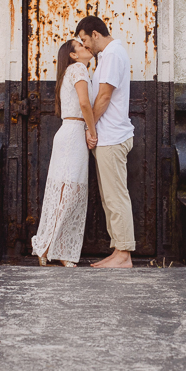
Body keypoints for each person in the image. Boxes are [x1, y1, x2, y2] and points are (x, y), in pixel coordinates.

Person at [75, 16, 135, 269]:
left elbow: (104, 97)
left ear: (96, 34)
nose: (86, 46)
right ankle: (117, 251)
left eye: (86, 40)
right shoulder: (111, 55)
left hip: (111, 137)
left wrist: (91, 129)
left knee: (116, 197)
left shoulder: (111, 55)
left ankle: (123, 255)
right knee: (110, 197)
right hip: (109, 137)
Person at [30, 39, 96, 267]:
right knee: (68, 192)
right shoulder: (78, 69)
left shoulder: (72, 71)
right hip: (74, 133)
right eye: (81, 46)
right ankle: (51, 247)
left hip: (68, 132)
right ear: (74, 55)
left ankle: (53, 247)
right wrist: (92, 130)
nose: (87, 47)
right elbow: (85, 104)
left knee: (64, 191)